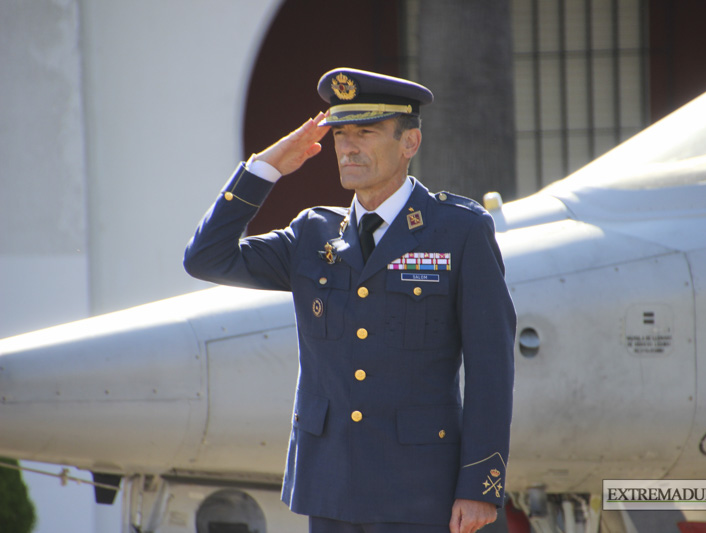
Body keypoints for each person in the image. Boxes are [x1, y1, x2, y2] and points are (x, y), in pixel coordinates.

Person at [184, 68, 516, 533]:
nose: (348, 146)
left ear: (410, 143)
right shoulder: (311, 234)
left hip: (421, 491)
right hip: (331, 486)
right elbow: (206, 258)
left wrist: (480, 487)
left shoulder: (459, 231)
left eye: (366, 131)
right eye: (340, 133)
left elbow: (491, 369)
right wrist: (265, 168)